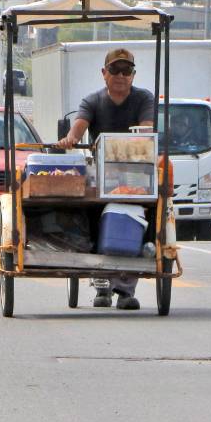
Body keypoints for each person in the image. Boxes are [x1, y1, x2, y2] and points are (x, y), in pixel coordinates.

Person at [55, 47, 154, 311]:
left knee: (143, 221)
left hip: (136, 177)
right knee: (92, 215)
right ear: (104, 73)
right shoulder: (92, 101)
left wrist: (144, 134)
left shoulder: (144, 99)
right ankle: (101, 284)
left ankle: (125, 289)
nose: (121, 76)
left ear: (133, 75)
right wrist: (70, 139)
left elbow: (147, 129)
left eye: (127, 71)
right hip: (102, 177)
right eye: (115, 70)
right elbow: (78, 128)